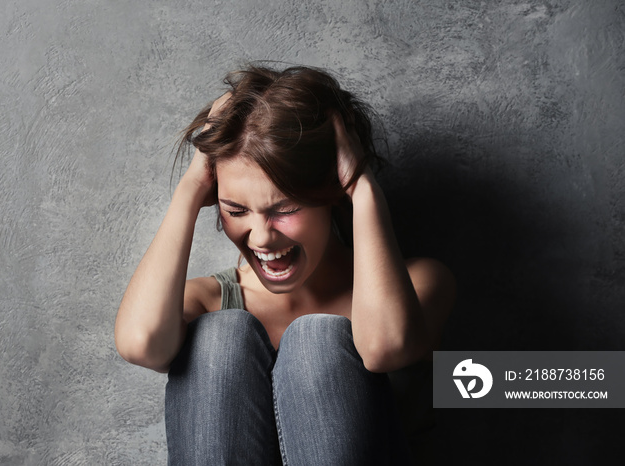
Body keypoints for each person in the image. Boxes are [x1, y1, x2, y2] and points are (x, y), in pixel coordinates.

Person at [115, 64, 455, 465]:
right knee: (220, 338)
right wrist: (189, 189)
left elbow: (384, 348)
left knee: (319, 343)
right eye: (236, 210)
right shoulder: (209, 300)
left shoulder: (420, 282)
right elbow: (140, 344)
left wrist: (363, 190)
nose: (260, 237)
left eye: (284, 208)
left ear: (332, 190)